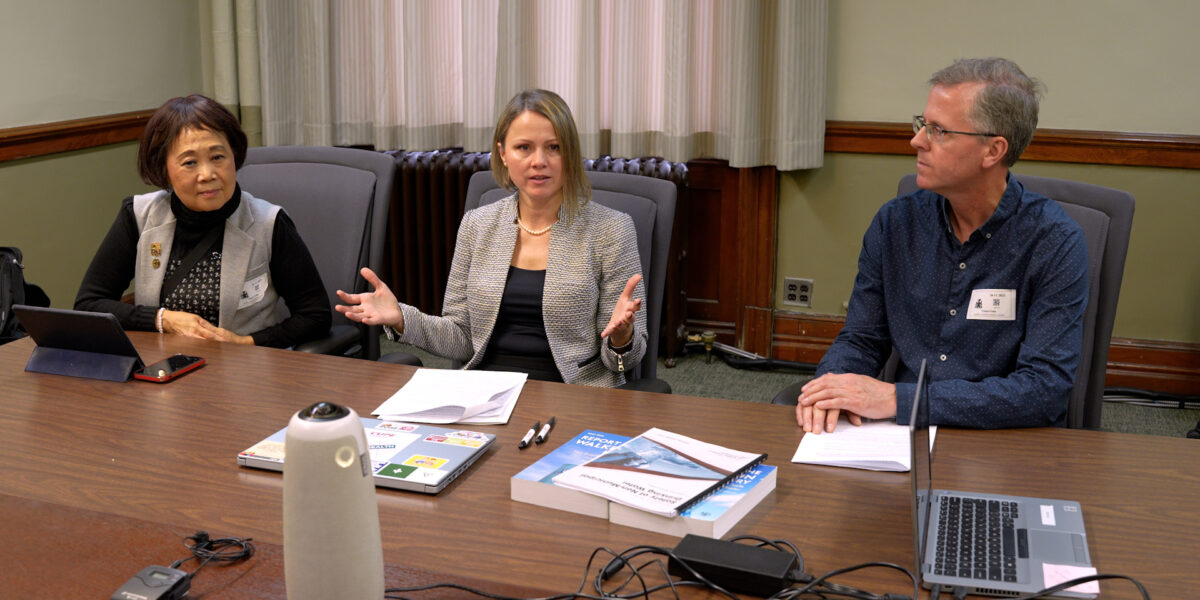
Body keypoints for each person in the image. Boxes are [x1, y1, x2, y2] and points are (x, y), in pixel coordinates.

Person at [797, 58, 1088, 433]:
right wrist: (830, 389)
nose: (916, 141)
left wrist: (898, 401)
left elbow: (1043, 390)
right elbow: (862, 338)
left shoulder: (1054, 241)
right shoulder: (895, 224)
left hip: (1003, 445)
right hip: (896, 440)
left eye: (938, 130)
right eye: (922, 124)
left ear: (992, 151)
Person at [336, 89, 645, 387]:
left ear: (570, 153)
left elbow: (621, 363)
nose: (539, 161)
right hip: (485, 393)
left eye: (554, 147)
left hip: (573, 394)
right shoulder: (477, 224)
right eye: (524, 147)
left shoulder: (611, 230)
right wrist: (402, 318)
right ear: (503, 153)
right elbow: (461, 338)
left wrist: (621, 339)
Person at [75, 94, 330, 348]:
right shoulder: (140, 215)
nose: (207, 174)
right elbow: (89, 303)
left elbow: (315, 315)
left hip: (244, 372)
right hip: (163, 371)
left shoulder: (269, 223)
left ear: (234, 155)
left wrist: (247, 342)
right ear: (164, 169)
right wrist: (162, 319)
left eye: (218, 157)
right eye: (189, 162)